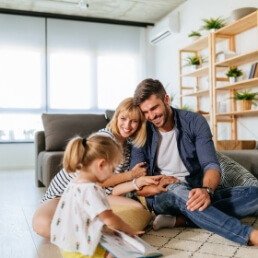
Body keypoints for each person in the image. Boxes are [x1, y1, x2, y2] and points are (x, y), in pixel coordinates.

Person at [130, 78, 258, 245]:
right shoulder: (141, 131)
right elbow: (136, 184)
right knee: (177, 190)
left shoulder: (194, 122)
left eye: (154, 108)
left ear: (166, 100)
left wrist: (206, 190)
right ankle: (249, 235)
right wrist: (155, 187)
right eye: (145, 112)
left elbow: (210, 164)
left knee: (254, 193)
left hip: (196, 187)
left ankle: (184, 219)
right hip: (164, 194)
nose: (151, 116)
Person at [32, 97, 160, 238]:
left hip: (95, 195)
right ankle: (89, 231)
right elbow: (99, 181)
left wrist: (136, 183)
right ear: (116, 117)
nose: (127, 125)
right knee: (44, 225)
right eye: (123, 118)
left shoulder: (129, 148)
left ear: (140, 124)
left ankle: (94, 230)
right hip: (62, 196)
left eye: (134, 121)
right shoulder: (105, 138)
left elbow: (110, 189)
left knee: (138, 210)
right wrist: (131, 175)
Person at [51, 133, 145, 258]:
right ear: (101, 164)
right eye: (112, 169)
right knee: (122, 252)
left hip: (68, 247)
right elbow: (109, 218)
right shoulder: (91, 189)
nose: (112, 174)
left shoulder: (74, 184)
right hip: (84, 250)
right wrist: (129, 230)